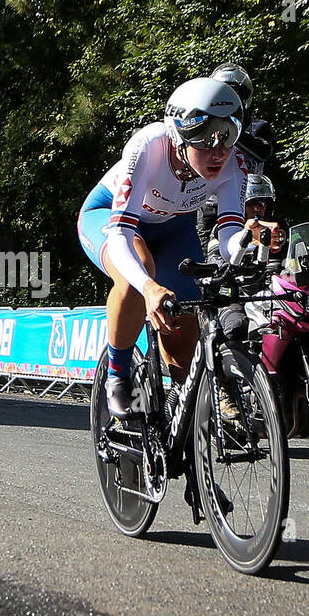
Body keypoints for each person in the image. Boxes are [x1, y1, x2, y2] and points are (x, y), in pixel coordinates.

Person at [77, 77, 248, 418]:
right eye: (205, 140)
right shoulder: (148, 147)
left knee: (184, 345)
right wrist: (148, 287)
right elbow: (122, 235)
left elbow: (229, 238)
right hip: (111, 218)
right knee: (139, 271)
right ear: (178, 137)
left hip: (174, 231)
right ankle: (118, 376)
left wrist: (247, 239)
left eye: (227, 136)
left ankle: (186, 419)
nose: (218, 152)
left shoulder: (233, 163)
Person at [196, 62, 278, 256]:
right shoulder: (204, 123)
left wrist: (232, 129)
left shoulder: (258, 127)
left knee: (250, 250)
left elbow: (264, 151)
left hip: (247, 202)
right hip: (210, 201)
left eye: (235, 93)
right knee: (203, 253)